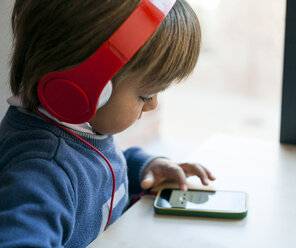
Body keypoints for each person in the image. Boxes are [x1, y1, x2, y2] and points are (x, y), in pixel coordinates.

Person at [0, 0, 215, 247]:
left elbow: (93, 169)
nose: (153, 105)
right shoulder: (42, 171)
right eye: (145, 95)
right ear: (86, 85)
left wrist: (142, 169)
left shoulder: (78, 130)